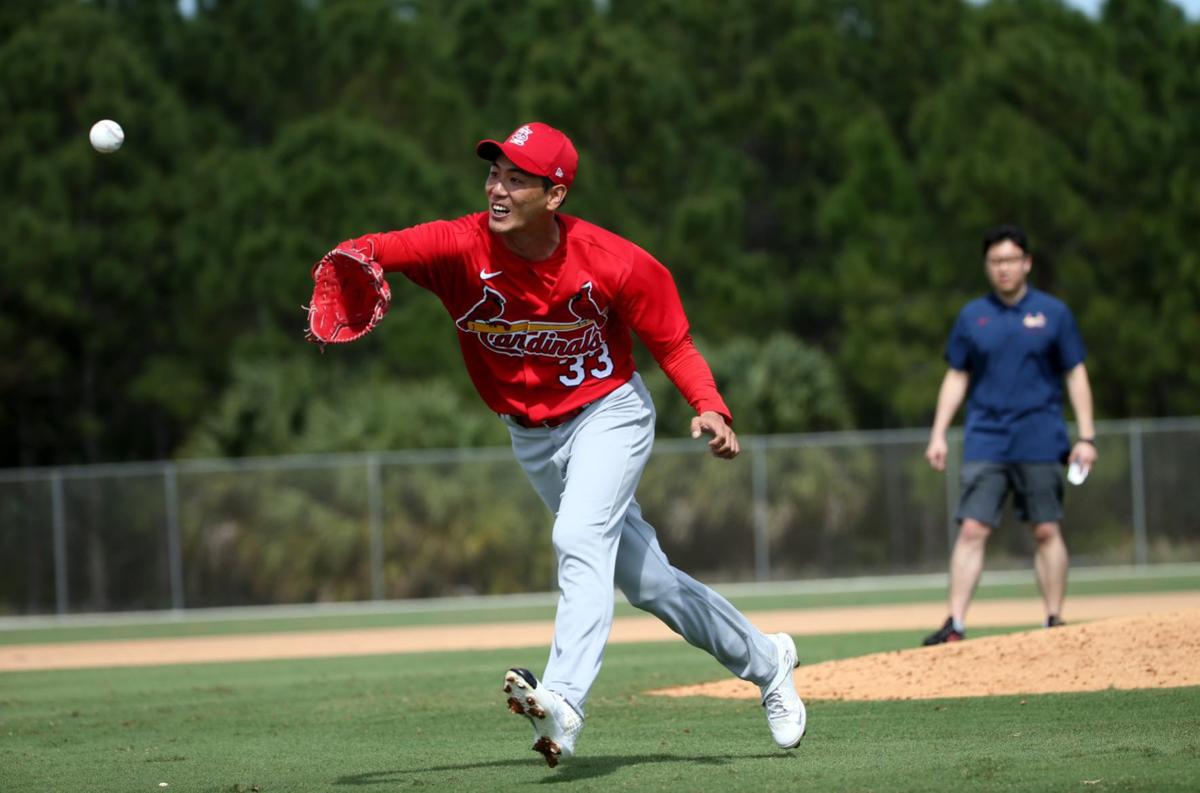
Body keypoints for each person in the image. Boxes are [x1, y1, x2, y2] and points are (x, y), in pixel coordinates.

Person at [323, 122, 805, 766]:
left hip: (609, 414)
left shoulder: (613, 260)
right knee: (651, 584)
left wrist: (710, 406)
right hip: (530, 437)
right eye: (494, 173)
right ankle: (769, 660)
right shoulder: (456, 247)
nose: (497, 187)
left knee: (577, 537)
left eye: (516, 178)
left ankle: (565, 701)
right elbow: (369, 249)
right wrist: (349, 262)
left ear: (554, 195)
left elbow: (674, 343)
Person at [922, 223, 1098, 645]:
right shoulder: (972, 316)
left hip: (1041, 436)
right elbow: (956, 376)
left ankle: (1054, 620)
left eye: (1011, 260)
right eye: (995, 261)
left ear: (1027, 262)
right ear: (987, 265)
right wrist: (938, 433)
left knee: (1046, 529)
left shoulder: (1054, 313)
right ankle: (956, 624)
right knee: (971, 529)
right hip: (987, 437)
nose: (1003, 268)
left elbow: (1075, 373)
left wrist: (1087, 437)